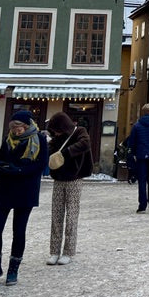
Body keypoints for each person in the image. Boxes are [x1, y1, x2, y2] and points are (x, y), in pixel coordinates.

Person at [0, 111, 48, 286]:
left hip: (26, 190)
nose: (16, 131)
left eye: (19, 128)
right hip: (5, 189)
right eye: (14, 128)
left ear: (26, 126)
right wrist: (3, 167)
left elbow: (41, 164)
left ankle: (13, 270)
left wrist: (19, 170)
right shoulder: (8, 139)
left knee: (19, 231)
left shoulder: (39, 139)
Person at [45, 111, 92, 265]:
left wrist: (65, 153)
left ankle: (68, 252)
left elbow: (85, 144)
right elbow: (50, 150)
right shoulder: (56, 137)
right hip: (59, 178)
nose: (56, 133)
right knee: (56, 215)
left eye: (57, 130)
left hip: (74, 178)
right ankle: (54, 251)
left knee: (71, 216)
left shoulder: (80, 131)